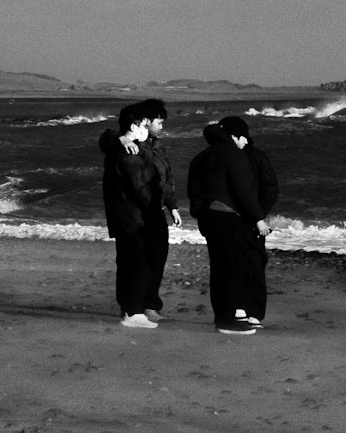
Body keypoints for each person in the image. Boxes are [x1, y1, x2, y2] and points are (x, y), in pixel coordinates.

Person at [185, 112, 281, 335]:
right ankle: (230, 320)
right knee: (236, 268)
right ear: (233, 137)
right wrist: (258, 219)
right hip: (231, 219)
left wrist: (201, 213)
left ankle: (226, 316)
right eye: (242, 137)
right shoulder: (233, 155)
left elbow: (194, 190)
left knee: (220, 268)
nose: (246, 141)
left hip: (209, 219)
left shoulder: (201, 156)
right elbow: (244, 191)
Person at [97, 99, 171, 328]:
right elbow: (139, 186)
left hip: (141, 215)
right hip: (134, 217)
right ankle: (132, 309)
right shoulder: (128, 150)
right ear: (137, 124)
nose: (152, 126)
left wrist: (170, 203)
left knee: (145, 261)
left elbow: (162, 178)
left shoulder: (149, 146)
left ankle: (139, 307)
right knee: (137, 262)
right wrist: (153, 211)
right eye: (149, 122)